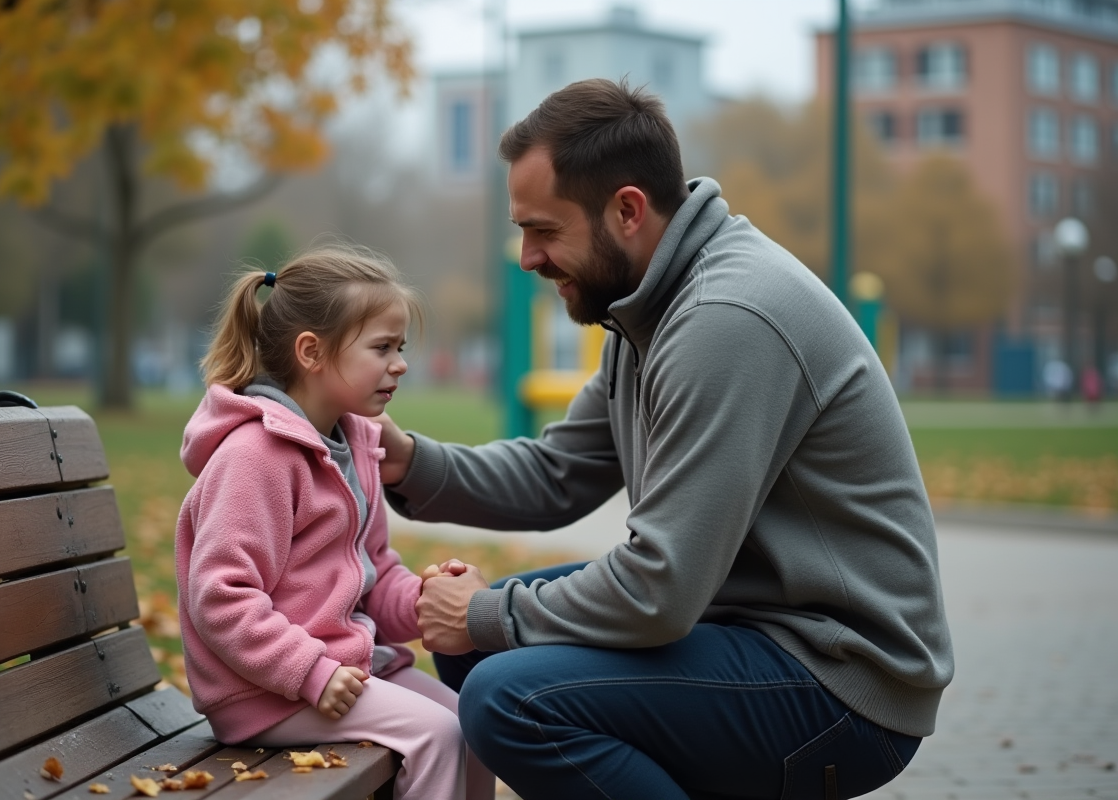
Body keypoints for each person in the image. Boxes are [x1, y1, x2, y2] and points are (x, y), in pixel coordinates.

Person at [380, 79, 954, 800]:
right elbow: (562, 471)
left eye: (545, 230)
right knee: (486, 648)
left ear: (626, 210)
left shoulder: (725, 317)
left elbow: (660, 590)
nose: (526, 256)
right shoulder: (649, 303)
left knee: (507, 692)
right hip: (750, 626)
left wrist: (484, 615)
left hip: (840, 679)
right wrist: (406, 461)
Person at [174, 246, 493, 800]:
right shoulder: (256, 456)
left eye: (401, 347)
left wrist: (420, 599)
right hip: (270, 690)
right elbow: (221, 596)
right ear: (311, 352)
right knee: (438, 734)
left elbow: (371, 574)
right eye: (382, 348)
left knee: (479, 723)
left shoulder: (354, 446)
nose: (400, 364)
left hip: (348, 667)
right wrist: (309, 672)